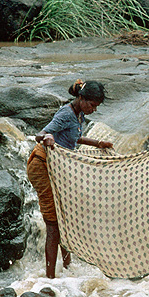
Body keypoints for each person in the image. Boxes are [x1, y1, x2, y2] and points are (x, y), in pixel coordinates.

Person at [26, 79, 113, 278]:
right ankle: (50, 279)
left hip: (58, 167)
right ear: (81, 98)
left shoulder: (78, 113)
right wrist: (48, 138)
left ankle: (67, 268)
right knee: (53, 222)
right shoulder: (65, 113)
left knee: (64, 216)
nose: (94, 109)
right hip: (42, 165)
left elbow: (73, 138)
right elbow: (42, 133)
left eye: (96, 107)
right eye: (92, 105)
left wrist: (98, 143)